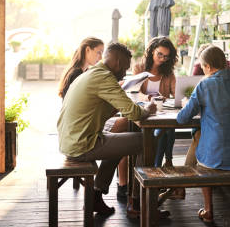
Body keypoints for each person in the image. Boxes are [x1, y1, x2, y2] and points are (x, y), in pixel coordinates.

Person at [57, 43, 157, 216]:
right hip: (82, 144)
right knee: (146, 141)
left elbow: (105, 109)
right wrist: (148, 109)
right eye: (125, 67)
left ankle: (96, 195)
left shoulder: (92, 72)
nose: (125, 72)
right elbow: (134, 113)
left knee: (119, 135)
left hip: (71, 139)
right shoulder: (104, 77)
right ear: (117, 62)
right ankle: (137, 203)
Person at [177, 45, 230, 223]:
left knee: (204, 145)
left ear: (208, 67)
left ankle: (209, 210)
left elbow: (182, 119)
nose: (203, 71)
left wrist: (185, 104)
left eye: (203, 67)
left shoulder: (205, 84)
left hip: (214, 158)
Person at [133, 36, 178, 168]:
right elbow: (135, 92)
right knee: (165, 130)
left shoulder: (168, 73)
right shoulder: (139, 68)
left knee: (166, 128)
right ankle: (163, 163)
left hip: (161, 112)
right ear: (152, 50)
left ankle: (159, 165)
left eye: (166, 56)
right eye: (160, 54)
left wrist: (171, 98)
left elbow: (176, 94)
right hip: (145, 112)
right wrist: (148, 98)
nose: (162, 59)